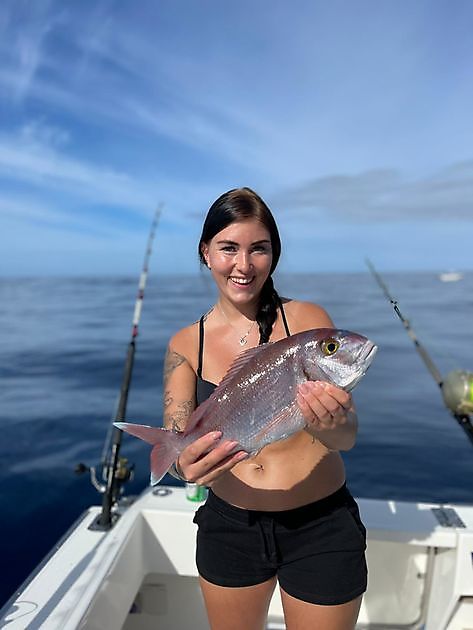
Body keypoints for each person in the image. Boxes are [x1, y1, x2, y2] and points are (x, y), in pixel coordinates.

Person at [163, 187, 367, 630]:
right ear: (205, 253)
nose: (243, 264)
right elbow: (177, 441)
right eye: (228, 248)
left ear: (274, 255)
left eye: (259, 248)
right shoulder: (185, 344)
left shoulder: (309, 321)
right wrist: (187, 466)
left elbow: (346, 437)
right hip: (229, 527)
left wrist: (331, 423)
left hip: (321, 524)